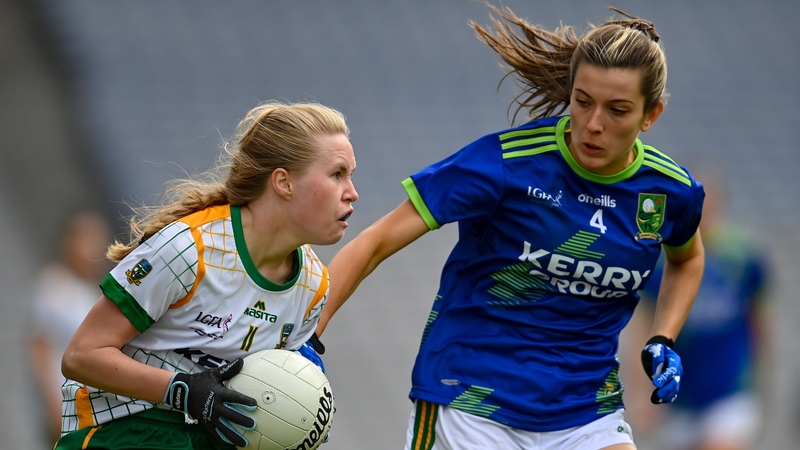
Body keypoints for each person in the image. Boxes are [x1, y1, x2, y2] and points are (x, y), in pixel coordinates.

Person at [315, 4, 706, 450]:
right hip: (470, 399)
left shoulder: (671, 192)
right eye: (582, 102)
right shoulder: (507, 163)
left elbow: (688, 257)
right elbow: (375, 241)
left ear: (649, 115)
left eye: (617, 110)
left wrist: (663, 337)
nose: (593, 124)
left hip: (586, 410)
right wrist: (311, 335)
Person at [55, 100, 358, 450]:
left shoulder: (313, 286)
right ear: (283, 182)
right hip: (126, 431)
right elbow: (81, 356)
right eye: (337, 174)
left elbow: (268, 392)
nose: (352, 192)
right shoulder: (189, 249)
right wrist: (183, 390)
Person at [627, 172, 770, 450]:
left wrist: (761, 376)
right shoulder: (662, 266)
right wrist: (641, 392)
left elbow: (758, 321)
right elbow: (644, 332)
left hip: (728, 391)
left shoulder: (742, 258)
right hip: (681, 396)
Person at [28, 210, 113, 445]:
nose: (95, 247)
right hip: (64, 407)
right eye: (88, 238)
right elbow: (39, 347)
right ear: (69, 241)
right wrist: (52, 403)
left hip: (88, 411)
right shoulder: (54, 284)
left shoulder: (93, 292)